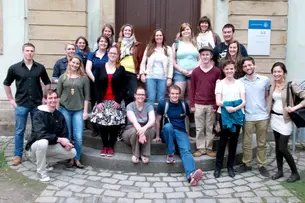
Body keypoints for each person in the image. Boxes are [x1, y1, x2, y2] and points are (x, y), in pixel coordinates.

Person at [3, 42, 51, 166]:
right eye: (27, 51)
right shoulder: (14, 68)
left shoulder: (39, 67)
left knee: (38, 130)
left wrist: (45, 97)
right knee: (19, 130)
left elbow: (47, 82)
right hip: (21, 104)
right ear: (23, 52)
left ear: (34, 52)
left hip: (36, 104)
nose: (30, 53)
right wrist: (11, 100)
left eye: (32, 51)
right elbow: (6, 83)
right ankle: (18, 155)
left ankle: (34, 153)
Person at [155, 85, 203, 186]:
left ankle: (191, 176)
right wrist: (157, 136)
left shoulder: (183, 104)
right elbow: (158, 120)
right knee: (168, 126)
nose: (175, 96)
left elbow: (187, 119)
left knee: (186, 151)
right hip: (167, 132)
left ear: (179, 94)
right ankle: (170, 154)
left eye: (177, 94)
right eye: (173, 93)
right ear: (169, 94)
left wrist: (188, 134)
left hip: (181, 132)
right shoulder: (163, 104)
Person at [25, 89, 76, 182]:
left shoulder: (59, 115)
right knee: (43, 142)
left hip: (50, 146)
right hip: (35, 148)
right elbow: (41, 134)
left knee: (72, 152)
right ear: (45, 100)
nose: (53, 100)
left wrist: (67, 143)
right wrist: (59, 140)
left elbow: (64, 134)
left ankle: (46, 162)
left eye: (55, 98)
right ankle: (41, 172)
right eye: (50, 98)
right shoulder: (38, 114)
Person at [267, 62, 305, 182]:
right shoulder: (272, 85)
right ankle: (279, 171)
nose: (277, 74)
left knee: (283, 147)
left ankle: (295, 172)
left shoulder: (291, 85)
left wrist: (294, 108)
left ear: (284, 72)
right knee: (278, 147)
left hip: (286, 120)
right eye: (274, 72)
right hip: (274, 119)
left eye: (279, 71)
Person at [90, 46, 127, 157]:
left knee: (114, 126)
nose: (112, 55)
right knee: (102, 125)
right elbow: (96, 86)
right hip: (103, 101)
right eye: (111, 53)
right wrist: (99, 101)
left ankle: (111, 146)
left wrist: (118, 100)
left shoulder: (121, 68)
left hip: (115, 101)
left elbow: (123, 87)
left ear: (117, 55)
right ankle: (104, 146)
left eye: (115, 53)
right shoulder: (100, 67)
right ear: (108, 53)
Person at [237, 57, 270, 177]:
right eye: (245, 66)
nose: (248, 68)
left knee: (262, 143)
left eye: (249, 65)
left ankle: (262, 165)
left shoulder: (265, 80)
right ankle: (247, 164)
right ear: (243, 68)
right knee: (247, 142)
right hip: (248, 116)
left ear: (254, 65)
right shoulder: (240, 81)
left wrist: (267, 110)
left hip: (262, 116)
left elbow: (267, 95)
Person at [57, 55, 90, 169]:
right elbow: (58, 95)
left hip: (78, 110)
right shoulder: (63, 77)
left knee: (78, 136)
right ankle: (71, 158)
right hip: (65, 109)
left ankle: (77, 159)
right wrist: (57, 111)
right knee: (68, 135)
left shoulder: (84, 78)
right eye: (73, 62)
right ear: (69, 63)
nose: (75, 65)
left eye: (77, 63)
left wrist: (85, 112)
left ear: (80, 65)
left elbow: (87, 97)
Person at [214, 60, 246, 178]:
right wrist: (228, 107)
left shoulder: (240, 83)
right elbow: (218, 101)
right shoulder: (220, 84)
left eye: (231, 68)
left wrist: (235, 108)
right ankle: (218, 167)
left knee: (233, 142)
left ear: (235, 69)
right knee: (222, 142)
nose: (229, 71)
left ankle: (230, 167)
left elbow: (243, 101)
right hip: (224, 115)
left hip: (237, 115)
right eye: (227, 69)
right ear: (223, 70)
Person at [190, 46, 221, 157]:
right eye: (203, 55)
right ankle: (200, 148)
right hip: (198, 103)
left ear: (211, 56)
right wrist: (192, 104)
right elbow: (192, 88)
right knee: (199, 128)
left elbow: (218, 90)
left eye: (207, 54)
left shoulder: (217, 72)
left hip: (211, 104)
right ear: (200, 56)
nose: (205, 57)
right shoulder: (195, 72)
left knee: (209, 128)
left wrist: (215, 105)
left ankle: (208, 148)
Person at [140, 29, 173, 106]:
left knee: (161, 99)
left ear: (163, 37)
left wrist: (169, 78)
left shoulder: (168, 49)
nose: (159, 37)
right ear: (154, 37)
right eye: (157, 35)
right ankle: (150, 116)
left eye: (160, 35)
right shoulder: (149, 48)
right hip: (150, 77)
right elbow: (143, 61)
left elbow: (171, 64)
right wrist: (142, 74)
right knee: (151, 97)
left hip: (163, 78)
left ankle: (160, 117)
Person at [122, 86, 155, 164]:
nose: (141, 96)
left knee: (150, 130)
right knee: (134, 130)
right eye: (138, 94)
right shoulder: (130, 106)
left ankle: (144, 154)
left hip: (145, 132)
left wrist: (143, 130)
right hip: (130, 132)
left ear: (145, 96)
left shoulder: (149, 106)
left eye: (143, 95)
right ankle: (136, 154)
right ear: (135, 95)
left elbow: (152, 120)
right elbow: (134, 122)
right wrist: (141, 132)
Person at [86, 35, 110, 137]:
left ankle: (103, 127)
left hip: (106, 83)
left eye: (105, 42)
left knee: (104, 105)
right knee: (95, 105)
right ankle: (95, 128)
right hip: (94, 82)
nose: (103, 43)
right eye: (101, 41)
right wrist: (95, 80)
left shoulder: (109, 55)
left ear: (107, 44)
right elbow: (88, 69)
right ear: (98, 42)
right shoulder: (92, 55)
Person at [116, 24, 144, 105]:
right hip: (120, 72)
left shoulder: (137, 45)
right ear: (122, 32)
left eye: (129, 30)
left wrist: (140, 72)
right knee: (120, 93)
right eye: (125, 30)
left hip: (132, 72)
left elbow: (141, 59)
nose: (127, 32)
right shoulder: (118, 45)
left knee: (132, 94)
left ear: (132, 33)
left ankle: (129, 111)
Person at [172, 23, 199, 100]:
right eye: (183, 30)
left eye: (187, 29)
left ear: (191, 31)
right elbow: (173, 61)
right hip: (179, 73)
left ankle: (189, 112)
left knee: (191, 97)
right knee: (178, 96)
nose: (185, 31)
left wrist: (193, 70)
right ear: (181, 32)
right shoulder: (176, 44)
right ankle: (180, 112)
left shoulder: (196, 44)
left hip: (193, 74)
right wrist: (182, 70)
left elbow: (200, 60)